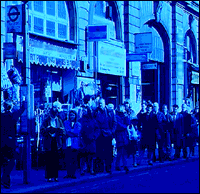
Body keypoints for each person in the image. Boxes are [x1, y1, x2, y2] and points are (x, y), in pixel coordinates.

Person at [1, 97, 26, 189]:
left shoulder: (1, 115)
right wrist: (24, 98)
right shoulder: (13, 115)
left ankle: (6, 182)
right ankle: (4, 179)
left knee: (4, 161)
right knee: (12, 161)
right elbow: (23, 108)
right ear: (11, 107)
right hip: (10, 142)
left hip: (2, 141)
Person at [40, 102, 66, 182]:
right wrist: (47, 129)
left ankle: (55, 176)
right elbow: (42, 130)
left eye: (55, 115)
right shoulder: (46, 120)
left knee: (56, 159)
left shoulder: (59, 120)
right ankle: (49, 176)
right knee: (49, 159)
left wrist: (60, 131)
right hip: (48, 141)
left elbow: (63, 130)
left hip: (56, 141)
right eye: (52, 115)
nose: (53, 117)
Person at [93, 98, 117, 174]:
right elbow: (93, 122)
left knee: (108, 152)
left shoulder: (110, 112)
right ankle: (100, 168)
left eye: (101, 103)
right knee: (99, 152)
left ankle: (108, 167)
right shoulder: (95, 112)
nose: (100, 105)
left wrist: (112, 131)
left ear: (104, 103)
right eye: (99, 103)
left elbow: (114, 122)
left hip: (107, 134)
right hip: (99, 134)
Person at [79, 105, 100, 175]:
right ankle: (82, 169)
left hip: (91, 140)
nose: (84, 112)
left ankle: (91, 169)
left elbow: (97, 129)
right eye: (83, 111)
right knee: (83, 155)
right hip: (83, 140)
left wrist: (94, 136)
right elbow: (79, 130)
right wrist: (80, 138)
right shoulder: (81, 120)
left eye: (85, 110)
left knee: (91, 155)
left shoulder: (93, 120)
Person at [63, 109, 81, 179]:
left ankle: (73, 173)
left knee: (74, 159)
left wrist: (69, 132)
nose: (71, 117)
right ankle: (68, 173)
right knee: (68, 159)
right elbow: (65, 131)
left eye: (73, 115)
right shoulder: (65, 122)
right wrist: (71, 132)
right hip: (67, 142)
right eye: (70, 115)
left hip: (75, 143)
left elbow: (77, 132)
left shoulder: (78, 124)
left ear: (75, 116)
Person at [115, 104, 130, 173]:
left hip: (124, 136)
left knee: (125, 152)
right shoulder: (116, 117)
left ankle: (125, 165)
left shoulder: (124, 116)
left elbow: (128, 123)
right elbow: (118, 126)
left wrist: (126, 116)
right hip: (119, 136)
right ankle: (117, 165)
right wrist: (125, 126)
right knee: (120, 151)